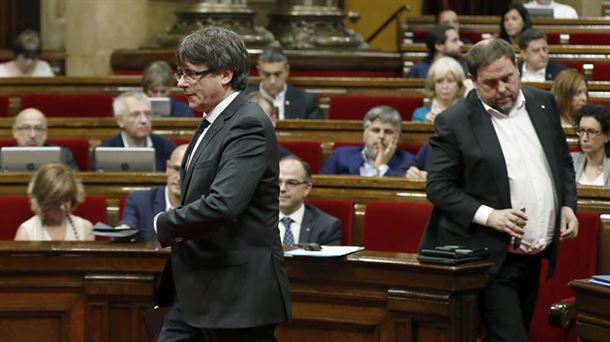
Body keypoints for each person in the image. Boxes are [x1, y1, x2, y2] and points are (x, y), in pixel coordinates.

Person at [419, 38, 578, 341]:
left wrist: (567, 204)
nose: (503, 88)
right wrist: (489, 215)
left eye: (508, 78)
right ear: (472, 81)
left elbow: (562, 162)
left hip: (536, 253)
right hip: (490, 256)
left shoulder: (542, 104)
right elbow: (438, 187)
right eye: (490, 83)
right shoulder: (454, 122)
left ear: (518, 67)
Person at [155, 27, 291, 340]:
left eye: (191, 74)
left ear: (225, 74)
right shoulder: (211, 120)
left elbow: (223, 204)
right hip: (198, 292)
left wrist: (163, 221)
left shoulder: (247, 123)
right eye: (180, 73)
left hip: (236, 297)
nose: (181, 83)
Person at [116, 144, 188, 241]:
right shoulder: (139, 201)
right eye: (176, 169)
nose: (179, 178)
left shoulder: (203, 205)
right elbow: (128, 226)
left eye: (186, 172)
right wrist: (124, 231)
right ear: (167, 168)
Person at [320, 105, 417, 177]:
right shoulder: (340, 155)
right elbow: (322, 187)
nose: (381, 136)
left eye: (388, 132)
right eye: (376, 130)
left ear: (396, 138)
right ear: (365, 134)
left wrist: (382, 167)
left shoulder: (408, 162)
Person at [93, 91, 176, 172]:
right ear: (120, 121)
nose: (144, 120)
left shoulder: (167, 148)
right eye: (136, 115)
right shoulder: (104, 153)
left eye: (147, 114)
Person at [14, 163, 94, 241]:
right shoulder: (26, 233)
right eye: (56, 202)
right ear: (42, 200)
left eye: (66, 200)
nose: (62, 207)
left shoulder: (86, 229)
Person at [279, 156, 342, 246]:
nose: (282, 189)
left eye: (291, 183)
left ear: (307, 188)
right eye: (277, 182)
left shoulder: (326, 226)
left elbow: (329, 260)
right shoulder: (255, 222)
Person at [244, 46, 321, 120]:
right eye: (266, 74)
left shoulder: (305, 101)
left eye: (277, 74)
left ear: (287, 70)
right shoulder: (243, 98)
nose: (272, 81)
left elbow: (316, 132)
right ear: (259, 71)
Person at [12, 108, 79, 170]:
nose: (33, 135)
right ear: (15, 132)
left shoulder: (63, 156)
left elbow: (74, 181)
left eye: (38, 129)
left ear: (45, 133)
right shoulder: (1, 158)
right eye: (26, 128)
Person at [412, 56, 466, 122]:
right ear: (433, 85)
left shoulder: (467, 114)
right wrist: (426, 125)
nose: (445, 86)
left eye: (450, 81)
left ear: (459, 84)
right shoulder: (420, 115)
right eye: (439, 81)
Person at [571, 104, 610, 186]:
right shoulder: (571, 161)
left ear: (607, 136)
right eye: (581, 131)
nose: (584, 138)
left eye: (591, 132)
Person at [247, 91, 292, 159]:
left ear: (273, 120)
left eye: (261, 117)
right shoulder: (228, 154)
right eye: (249, 118)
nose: (254, 124)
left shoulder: (287, 162)